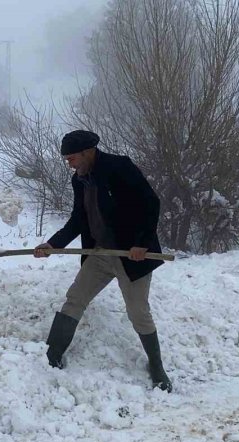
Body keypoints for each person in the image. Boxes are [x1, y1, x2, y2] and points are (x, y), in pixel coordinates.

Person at [35, 130, 171, 392]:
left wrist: (142, 243)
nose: (69, 164)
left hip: (130, 256)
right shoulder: (80, 179)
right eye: (67, 159)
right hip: (100, 254)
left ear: (88, 152)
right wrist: (53, 244)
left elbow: (150, 203)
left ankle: (156, 366)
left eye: (72, 158)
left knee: (138, 312)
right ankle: (52, 354)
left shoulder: (120, 168)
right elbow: (78, 219)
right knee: (75, 298)